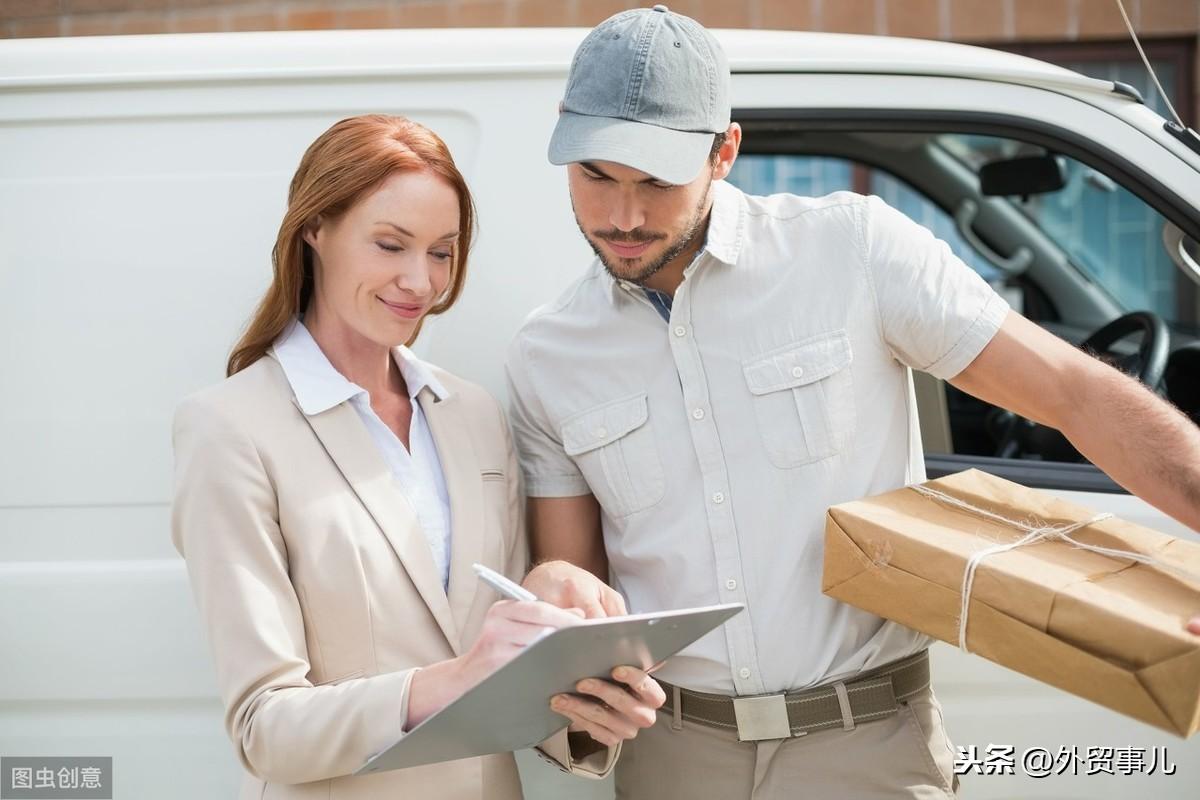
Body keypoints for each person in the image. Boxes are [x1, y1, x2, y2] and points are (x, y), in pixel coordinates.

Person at [508, 7, 1200, 800]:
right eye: (596, 175)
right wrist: (554, 593)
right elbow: (573, 581)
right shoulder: (545, 355)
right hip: (674, 762)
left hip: (867, 750)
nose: (623, 217)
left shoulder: (854, 252)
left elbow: (1074, 393)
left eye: (657, 182)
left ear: (724, 151)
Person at [170, 114, 662, 800]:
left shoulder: (473, 415)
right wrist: (455, 680)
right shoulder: (229, 429)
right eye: (390, 245)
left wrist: (587, 710)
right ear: (315, 229)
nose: (420, 281)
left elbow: (505, 667)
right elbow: (264, 728)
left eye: (441, 251)